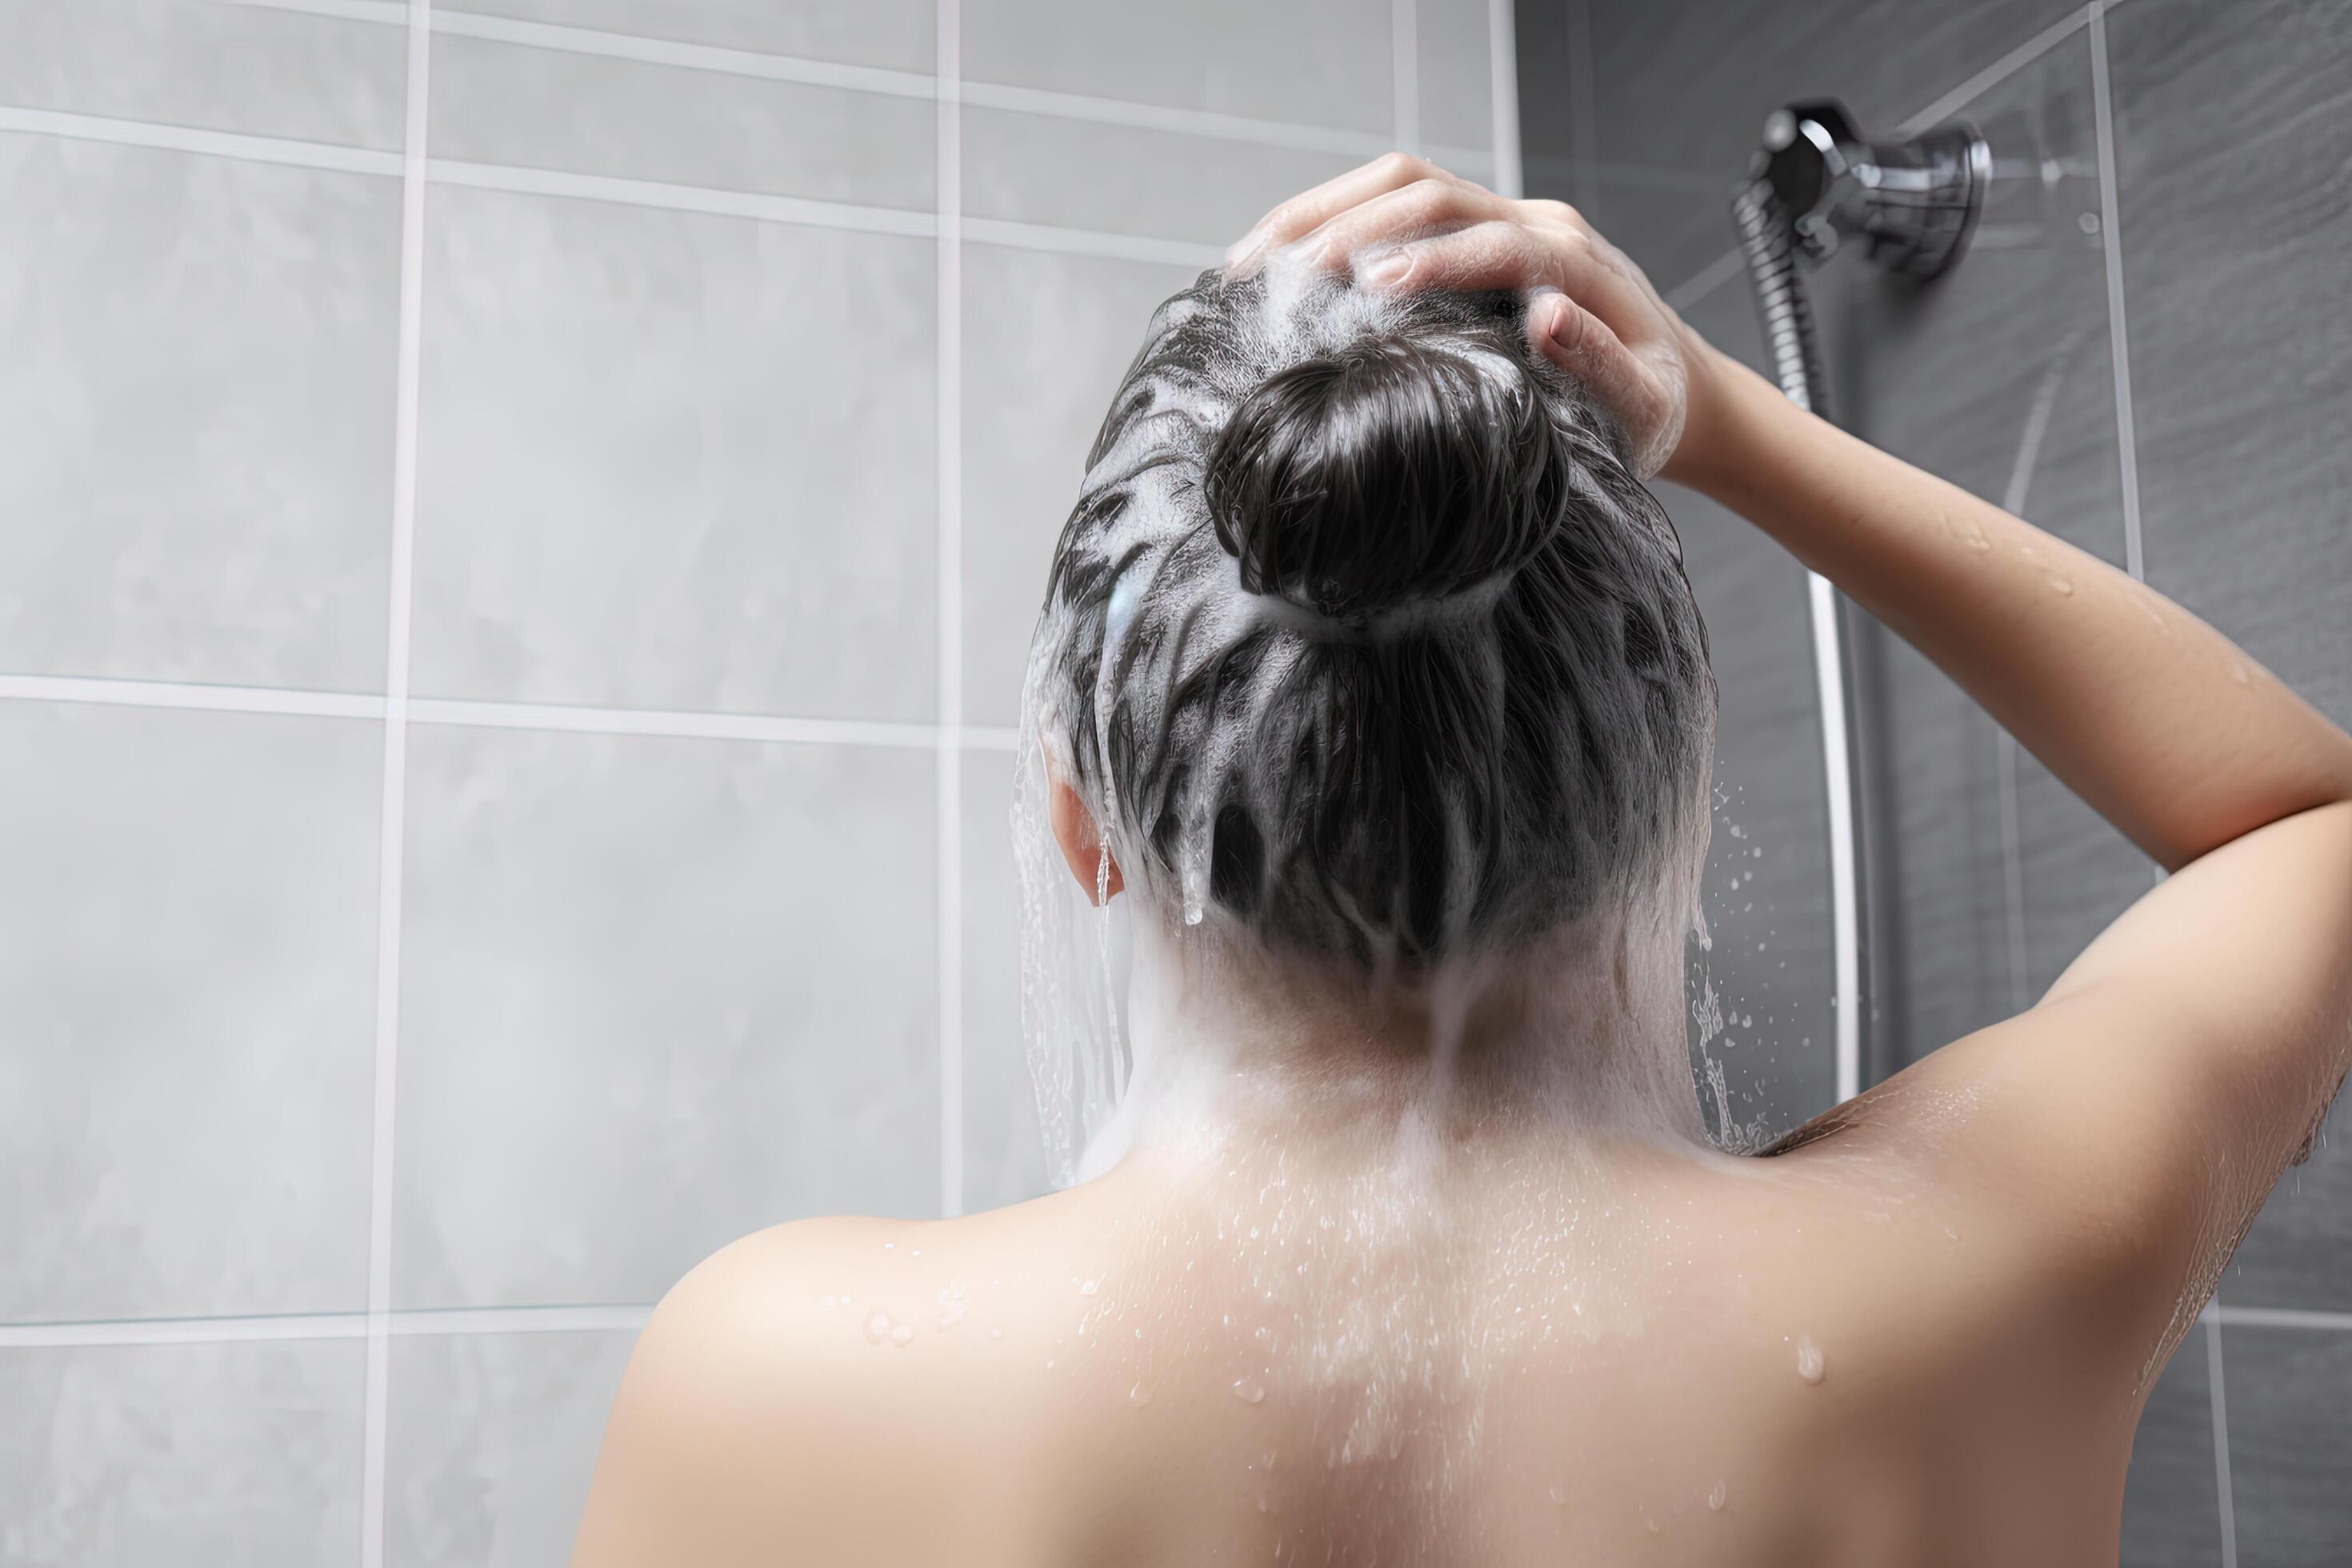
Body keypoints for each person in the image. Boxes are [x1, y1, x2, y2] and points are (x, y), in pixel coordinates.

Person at [571, 156, 2352, 1566]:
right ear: (1672, 787)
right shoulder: (1971, 1285)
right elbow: (2307, 821)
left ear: (1085, 828)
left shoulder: (771, 1386)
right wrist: (1731, 423)